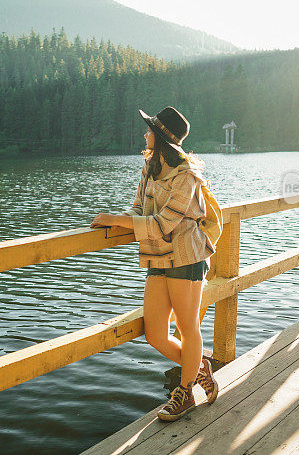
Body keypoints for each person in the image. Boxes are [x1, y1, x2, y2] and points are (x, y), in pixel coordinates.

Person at [91, 106, 219, 422]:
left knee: (187, 328)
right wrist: (115, 221)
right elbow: (138, 209)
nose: (144, 134)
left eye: (149, 130)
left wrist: (118, 220)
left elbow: (164, 224)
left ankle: (185, 392)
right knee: (155, 334)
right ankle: (198, 369)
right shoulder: (150, 167)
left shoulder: (186, 175)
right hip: (157, 257)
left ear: (160, 138)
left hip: (186, 258)